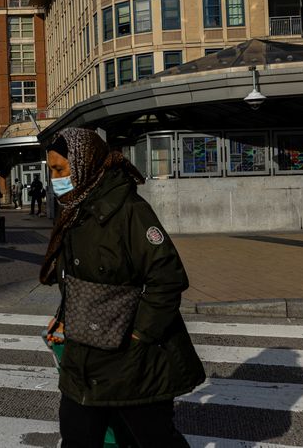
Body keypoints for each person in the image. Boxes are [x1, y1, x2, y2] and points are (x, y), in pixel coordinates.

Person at [41, 128, 205, 447]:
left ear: (84, 164)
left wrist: (140, 333)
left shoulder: (130, 211)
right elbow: (77, 278)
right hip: (83, 355)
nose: (56, 179)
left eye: (60, 170)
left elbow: (167, 277)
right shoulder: (75, 211)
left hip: (131, 361)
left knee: (153, 439)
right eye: (52, 171)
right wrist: (64, 316)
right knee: (76, 436)